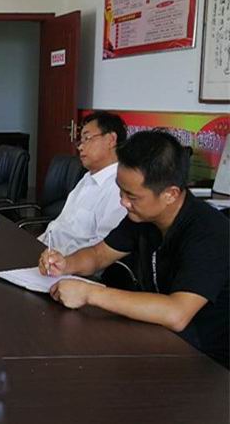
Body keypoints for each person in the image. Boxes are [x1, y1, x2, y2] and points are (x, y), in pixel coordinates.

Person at [39, 131, 229, 368]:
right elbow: (99, 255)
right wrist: (66, 263)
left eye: (132, 196)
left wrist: (90, 294)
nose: (123, 202)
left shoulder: (209, 231)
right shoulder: (143, 216)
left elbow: (177, 313)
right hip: (159, 339)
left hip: (207, 363)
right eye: (121, 190)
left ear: (170, 194)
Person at [38, 112, 128, 256]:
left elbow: (102, 249)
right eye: (80, 141)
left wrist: (59, 260)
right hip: (46, 251)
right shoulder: (87, 178)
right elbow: (59, 227)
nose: (80, 147)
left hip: (68, 263)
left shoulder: (119, 187)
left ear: (111, 140)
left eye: (87, 138)